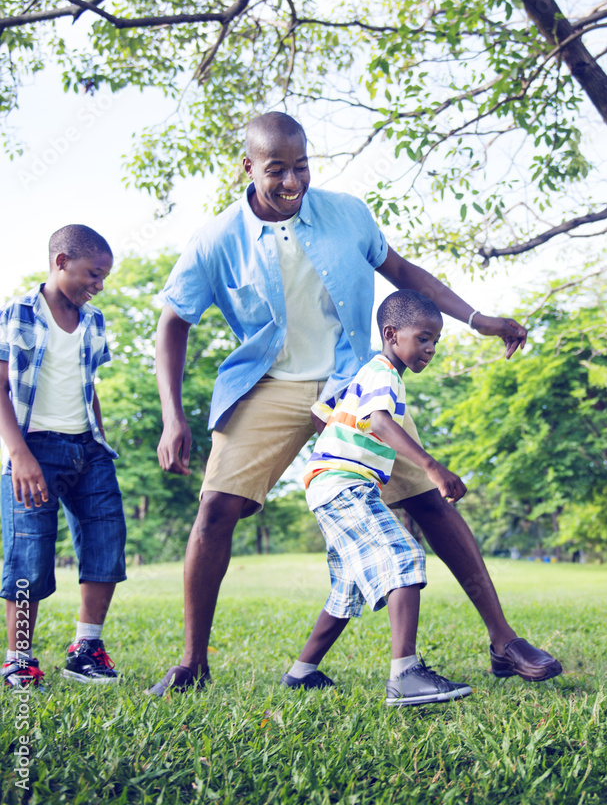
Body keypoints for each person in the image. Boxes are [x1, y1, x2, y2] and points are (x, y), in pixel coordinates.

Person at [149, 111, 561, 694]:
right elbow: (172, 323)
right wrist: (173, 415)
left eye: (301, 167)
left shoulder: (347, 214)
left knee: (428, 500)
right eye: (276, 171)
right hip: (269, 381)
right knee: (216, 508)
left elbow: (403, 273)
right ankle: (192, 663)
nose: (292, 183)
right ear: (248, 168)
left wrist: (478, 319)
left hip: (352, 378)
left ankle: (504, 641)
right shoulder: (216, 240)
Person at [287, 289, 472, 706]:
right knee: (402, 558)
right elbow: (382, 423)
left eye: (436, 341)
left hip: (332, 484)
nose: (430, 349)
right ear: (392, 334)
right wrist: (432, 466)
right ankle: (405, 675)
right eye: (423, 337)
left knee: (348, 587)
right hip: (343, 485)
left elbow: (323, 414)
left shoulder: (370, 373)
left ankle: (301, 673)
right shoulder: (384, 373)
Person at [0, 225, 126, 689]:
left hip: (88, 450)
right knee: (28, 554)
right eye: (93, 274)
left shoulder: (93, 322)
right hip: (35, 449)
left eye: (104, 277)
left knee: (106, 540)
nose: (98, 285)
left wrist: (99, 440)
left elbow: (87, 385)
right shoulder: (16, 314)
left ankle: (86, 649)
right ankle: (19, 659)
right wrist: (19, 454)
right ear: (61, 262)